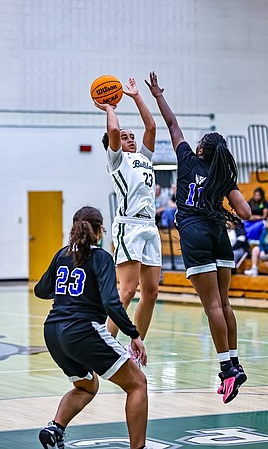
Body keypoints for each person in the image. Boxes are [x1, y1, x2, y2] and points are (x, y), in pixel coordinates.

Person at [146, 71, 251, 404]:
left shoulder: (188, 160)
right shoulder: (224, 176)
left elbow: (172, 124)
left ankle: (227, 370)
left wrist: (159, 96)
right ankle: (233, 361)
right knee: (224, 303)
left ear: (202, 149)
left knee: (212, 307)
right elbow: (246, 213)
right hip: (219, 235)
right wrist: (225, 198)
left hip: (194, 233)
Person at [34, 206, 148, 449]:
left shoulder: (61, 255)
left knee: (87, 384)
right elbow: (111, 303)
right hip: (82, 329)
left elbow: (41, 290)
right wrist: (134, 334)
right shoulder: (102, 257)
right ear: (99, 230)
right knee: (137, 383)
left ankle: (55, 429)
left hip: (52, 332)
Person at [96, 77, 162, 351]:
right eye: (125, 137)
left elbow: (151, 126)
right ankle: (106, 346)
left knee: (151, 293)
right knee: (127, 291)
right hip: (128, 226)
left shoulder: (144, 157)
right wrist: (110, 106)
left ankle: (137, 346)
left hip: (150, 227)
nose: (130, 138)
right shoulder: (116, 160)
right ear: (115, 144)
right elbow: (112, 129)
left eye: (130, 136)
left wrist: (136, 97)